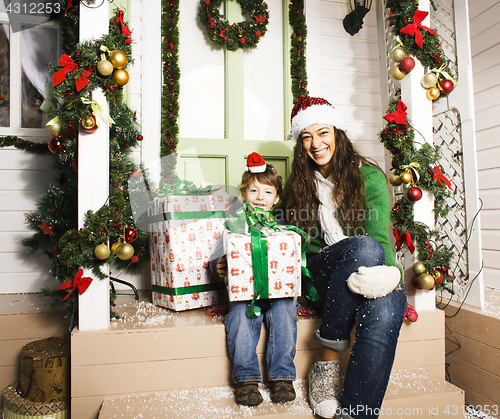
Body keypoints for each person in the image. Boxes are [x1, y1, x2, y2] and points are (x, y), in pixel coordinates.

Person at [284, 95, 407, 419]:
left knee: (385, 306)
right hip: (323, 272)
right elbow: (288, 239)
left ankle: (355, 414)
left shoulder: (368, 177)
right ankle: (326, 357)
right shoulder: (298, 184)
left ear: (337, 133)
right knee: (364, 246)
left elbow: (382, 239)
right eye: (306, 136)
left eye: (322, 133)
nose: (316, 143)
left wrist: (392, 273)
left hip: (366, 268)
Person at [209, 152, 298, 407]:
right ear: (243, 194)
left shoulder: (283, 229)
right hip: (245, 294)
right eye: (254, 191)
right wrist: (220, 265)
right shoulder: (233, 227)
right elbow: (214, 260)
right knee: (239, 316)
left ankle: (282, 377)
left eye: (267, 192)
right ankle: (246, 379)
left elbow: (293, 258)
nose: (260, 198)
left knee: (285, 314)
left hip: (277, 292)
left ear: (276, 198)